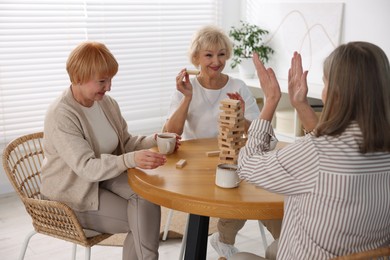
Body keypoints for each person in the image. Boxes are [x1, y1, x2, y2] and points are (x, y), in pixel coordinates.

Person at [231, 41, 390, 260]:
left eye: (325, 83)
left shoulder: (316, 154)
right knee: (273, 250)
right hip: (363, 253)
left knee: (239, 258)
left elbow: (247, 165)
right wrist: (302, 106)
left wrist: (270, 103)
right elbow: (333, 148)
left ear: (335, 93)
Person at [41, 41, 179, 260]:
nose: (109, 87)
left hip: (103, 178)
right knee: (142, 221)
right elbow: (86, 167)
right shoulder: (62, 115)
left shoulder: (107, 104)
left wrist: (155, 140)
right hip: (72, 192)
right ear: (78, 78)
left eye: (110, 79)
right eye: (102, 81)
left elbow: (125, 141)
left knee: (147, 196)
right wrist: (131, 160)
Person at [164, 25, 282, 259]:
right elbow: (171, 133)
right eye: (208, 55)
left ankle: (287, 240)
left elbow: (262, 134)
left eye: (221, 54)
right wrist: (187, 97)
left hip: (232, 158)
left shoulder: (237, 86)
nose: (216, 61)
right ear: (196, 57)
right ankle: (226, 238)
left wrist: (241, 114)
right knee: (236, 185)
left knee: (257, 184)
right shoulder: (187, 86)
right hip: (195, 166)